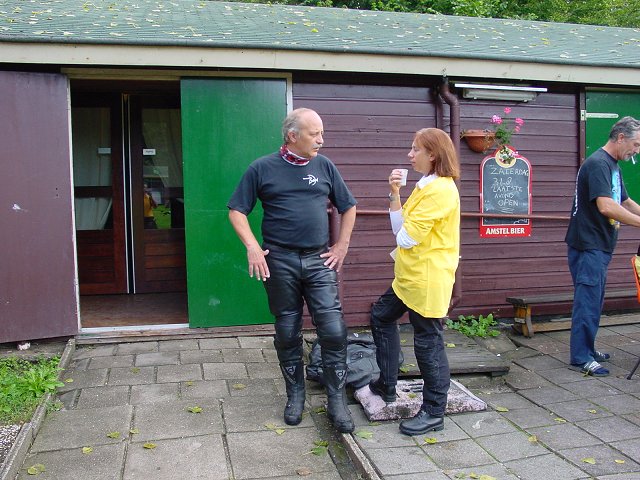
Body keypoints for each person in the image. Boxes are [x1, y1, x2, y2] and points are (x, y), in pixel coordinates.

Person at [227, 108, 358, 433]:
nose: (321, 139)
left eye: (321, 133)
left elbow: (348, 206)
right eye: (315, 134)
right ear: (292, 136)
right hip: (280, 261)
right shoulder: (261, 168)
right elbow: (237, 211)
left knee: (333, 331)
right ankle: (295, 396)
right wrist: (252, 247)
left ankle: (336, 401)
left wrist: (341, 246)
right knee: (287, 331)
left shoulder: (324, 166)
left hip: (319, 260)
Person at [367, 128, 460, 436]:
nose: (410, 155)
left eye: (415, 149)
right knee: (381, 315)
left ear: (432, 154)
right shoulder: (424, 185)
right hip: (409, 275)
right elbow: (400, 227)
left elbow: (405, 237)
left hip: (428, 278)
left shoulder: (440, 191)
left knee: (428, 342)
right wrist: (394, 193)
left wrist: (404, 227)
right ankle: (387, 383)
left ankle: (434, 412)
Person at [565, 116, 640, 377]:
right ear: (621, 137)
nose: (636, 150)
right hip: (588, 245)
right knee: (587, 301)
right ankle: (581, 357)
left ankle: (588, 349)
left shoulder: (612, 165)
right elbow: (606, 206)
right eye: (636, 144)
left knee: (595, 300)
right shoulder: (598, 163)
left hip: (599, 245)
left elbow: (625, 201)